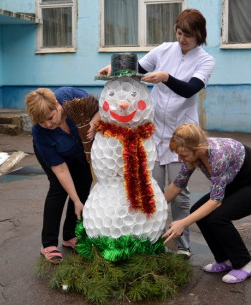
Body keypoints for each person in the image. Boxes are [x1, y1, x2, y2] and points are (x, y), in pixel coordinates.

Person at [98, 9, 215, 258]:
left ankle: (182, 244)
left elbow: (189, 89)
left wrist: (166, 77)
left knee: (179, 192)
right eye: (180, 32)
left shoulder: (206, 60)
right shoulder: (164, 50)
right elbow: (137, 68)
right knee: (151, 188)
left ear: (200, 36)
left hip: (182, 137)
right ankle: (155, 240)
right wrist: (114, 68)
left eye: (189, 35)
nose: (182, 39)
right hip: (152, 132)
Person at [161, 123, 251, 283]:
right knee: (199, 212)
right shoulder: (193, 154)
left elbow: (215, 202)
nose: (180, 159)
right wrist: (156, 208)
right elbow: (177, 185)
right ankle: (225, 259)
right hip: (237, 184)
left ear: (199, 149)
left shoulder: (218, 156)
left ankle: (244, 263)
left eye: (183, 155)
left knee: (218, 217)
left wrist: (183, 223)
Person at [25, 87, 100, 264]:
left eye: (51, 118)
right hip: (56, 153)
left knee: (83, 183)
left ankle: (70, 235)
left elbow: (100, 110)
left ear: (58, 105)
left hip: (81, 149)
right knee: (59, 188)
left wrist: (94, 123)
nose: (49, 125)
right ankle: (49, 243)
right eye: (43, 123)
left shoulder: (73, 98)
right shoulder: (41, 133)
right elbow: (60, 169)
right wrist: (75, 200)